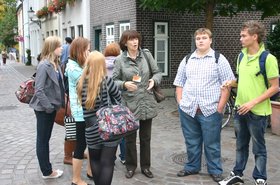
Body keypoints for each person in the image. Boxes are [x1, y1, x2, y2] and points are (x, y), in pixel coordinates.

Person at [219, 20, 279, 185]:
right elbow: (242, 81)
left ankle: (260, 178)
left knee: (259, 148)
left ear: (254, 36)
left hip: (257, 112)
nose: (240, 38)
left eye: (243, 36)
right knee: (240, 145)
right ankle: (237, 174)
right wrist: (231, 83)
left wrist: (252, 103)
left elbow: (275, 87)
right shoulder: (241, 56)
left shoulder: (268, 59)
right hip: (240, 110)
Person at [173, 28, 235, 183]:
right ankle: (192, 166)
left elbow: (228, 83)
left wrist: (220, 107)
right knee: (191, 141)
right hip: (189, 109)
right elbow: (179, 83)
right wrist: (180, 103)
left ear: (210, 40)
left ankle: (215, 170)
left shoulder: (218, 59)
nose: (200, 40)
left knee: (212, 143)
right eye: (198, 38)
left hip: (210, 109)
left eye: (204, 38)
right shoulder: (187, 59)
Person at [112, 30, 162, 179]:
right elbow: (113, 81)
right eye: (131, 40)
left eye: (136, 39)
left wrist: (154, 80)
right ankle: (131, 166)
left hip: (147, 102)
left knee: (146, 137)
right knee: (130, 138)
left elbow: (157, 72)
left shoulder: (146, 55)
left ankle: (146, 167)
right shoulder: (120, 60)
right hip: (129, 103)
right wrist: (124, 84)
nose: (135, 42)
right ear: (125, 42)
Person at [77, 51, 122, 185]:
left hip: (90, 129)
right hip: (108, 128)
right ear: (101, 65)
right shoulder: (107, 81)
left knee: (95, 161)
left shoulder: (81, 83)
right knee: (107, 163)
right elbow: (118, 101)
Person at [29, 36, 64, 179]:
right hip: (44, 109)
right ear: (52, 48)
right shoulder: (44, 65)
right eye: (59, 46)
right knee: (42, 140)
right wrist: (49, 107)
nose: (62, 48)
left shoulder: (55, 63)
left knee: (45, 139)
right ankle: (47, 171)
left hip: (51, 108)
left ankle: (47, 168)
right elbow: (39, 90)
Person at [65, 37, 92, 185]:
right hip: (81, 113)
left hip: (87, 110)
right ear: (80, 51)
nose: (90, 52)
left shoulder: (78, 65)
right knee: (81, 145)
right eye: (87, 49)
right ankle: (76, 179)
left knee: (90, 143)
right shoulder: (74, 69)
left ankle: (90, 171)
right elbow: (91, 81)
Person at [104, 42, 126, 164]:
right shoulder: (121, 63)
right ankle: (124, 156)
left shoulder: (101, 64)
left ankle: (110, 157)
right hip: (120, 99)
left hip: (106, 102)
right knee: (122, 129)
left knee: (109, 130)